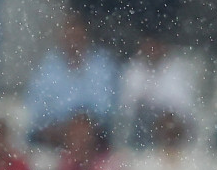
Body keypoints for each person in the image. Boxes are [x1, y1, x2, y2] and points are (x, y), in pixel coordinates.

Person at [25, 15, 118, 146]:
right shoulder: (48, 66)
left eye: (78, 37)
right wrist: (62, 127)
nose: (73, 42)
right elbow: (36, 107)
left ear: (86, 38)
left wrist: (79, 124)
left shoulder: (101, 65)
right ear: (62, 38)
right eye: (70, 37)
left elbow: (105, 107)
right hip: (56, 134)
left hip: (91, 133)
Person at [118, 36, 198, 148]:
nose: (152, 50)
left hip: (168, 120)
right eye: (149, 46)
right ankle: (142, 152)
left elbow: (183, 107)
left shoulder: (177, 69)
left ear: (164, 47)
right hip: (141, 124)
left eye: (156, 46)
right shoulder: (133, 68)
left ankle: (170, 154)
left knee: (169, 123)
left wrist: (163, 114)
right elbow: (127, 107)